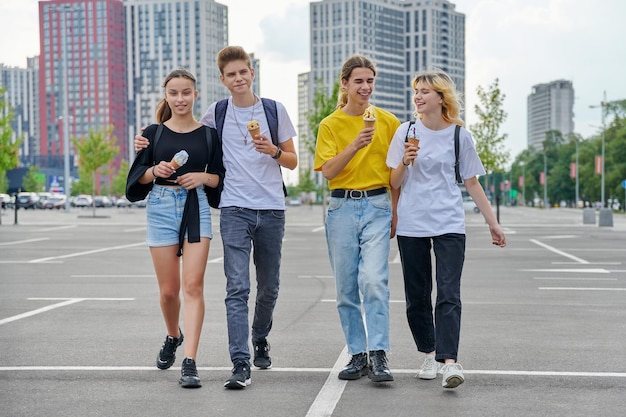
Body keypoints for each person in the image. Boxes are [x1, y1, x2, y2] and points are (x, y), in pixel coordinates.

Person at [135, 46, 297, 390]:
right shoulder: (216, 114)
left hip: (271, 209)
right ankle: (239, 362)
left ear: (252, 73)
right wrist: (143, 145)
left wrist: (274, 151)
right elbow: (183, 135)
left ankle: (259, 336)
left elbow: (294, 162)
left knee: (268, 287)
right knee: (234, 288)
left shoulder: (273, 110)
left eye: (243, 72)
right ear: (222, 80)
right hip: (233, 209)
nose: (238, 78)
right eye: (231, 74)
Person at [386, 70, 506, 389]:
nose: (418, 96)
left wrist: (492, 223)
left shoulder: (459, 136)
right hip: (412, 223)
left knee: (449, 292)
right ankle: (429, 353)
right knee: (417, 295)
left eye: (425, 91)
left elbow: (472, 182)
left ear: (441, 98)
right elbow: (393, 182)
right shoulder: (405, 132)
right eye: (416, 91)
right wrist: (405, 162)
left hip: (449, 222)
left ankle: (450, 362)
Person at [126, 67, 224, 388]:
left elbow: (219, 177)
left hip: (196, 206)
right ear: (166, 96)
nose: (180, 98)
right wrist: (155, 169)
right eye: (173, 93)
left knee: (193, 286)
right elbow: (136, 178)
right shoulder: (152, 134)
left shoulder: (209, 134)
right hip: (160, 206)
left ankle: (190, 361)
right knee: (169, 292)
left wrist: (202, 178)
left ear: (196, 94)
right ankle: (173, 334)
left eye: (186, 92)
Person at [314, 55, 400, 383]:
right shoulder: (330, 125)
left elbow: (395, 177)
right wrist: (355, 144)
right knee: (346, 288)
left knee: (375, 281)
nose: (365, 87)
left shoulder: (389, 122)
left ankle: (379, 354)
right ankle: (357, 354)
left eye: (370, 81)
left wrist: (395, 211)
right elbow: (329, 172)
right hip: (341, 208)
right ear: (345, 84)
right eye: (359, 81)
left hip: (378, 205)